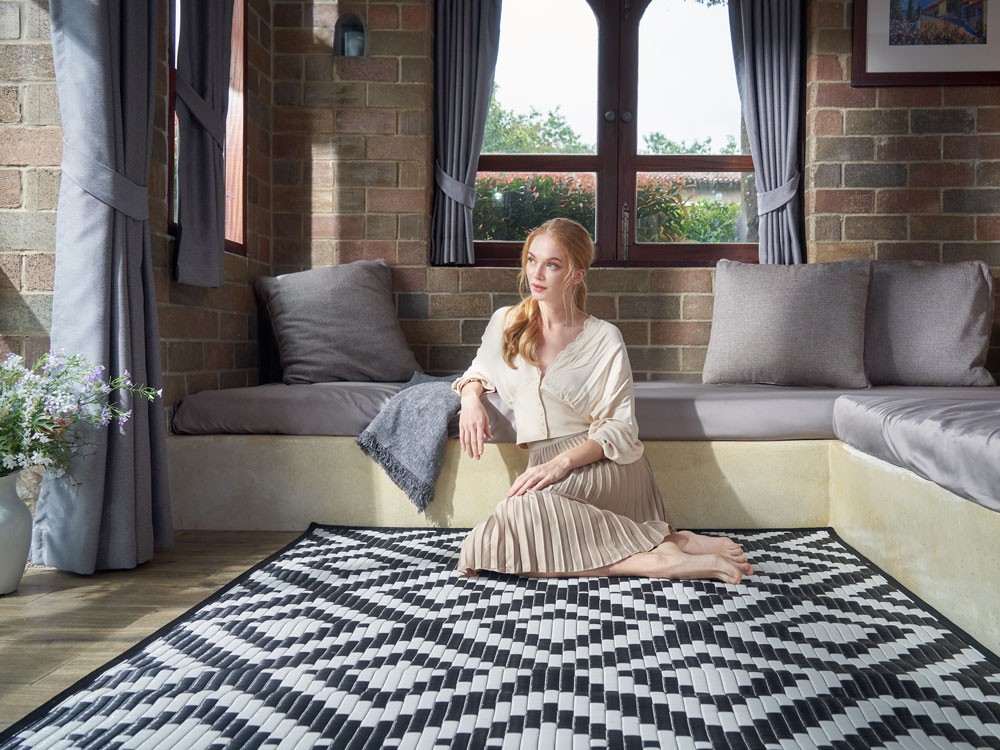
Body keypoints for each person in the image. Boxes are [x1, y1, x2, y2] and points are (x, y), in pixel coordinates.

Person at [453, 218, 753, 583]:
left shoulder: (604, 337)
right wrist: (471, 400)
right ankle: (669, 544)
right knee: (484, 546)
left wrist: (561, 464)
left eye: (552, 264)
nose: (537, 273)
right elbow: (478, 370)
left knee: (518, 514)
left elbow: (620, 428)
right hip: (543, 465)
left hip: (601, 464)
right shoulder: (506, 322)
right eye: (532, 260)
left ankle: (659, 562)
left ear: (577, 274)